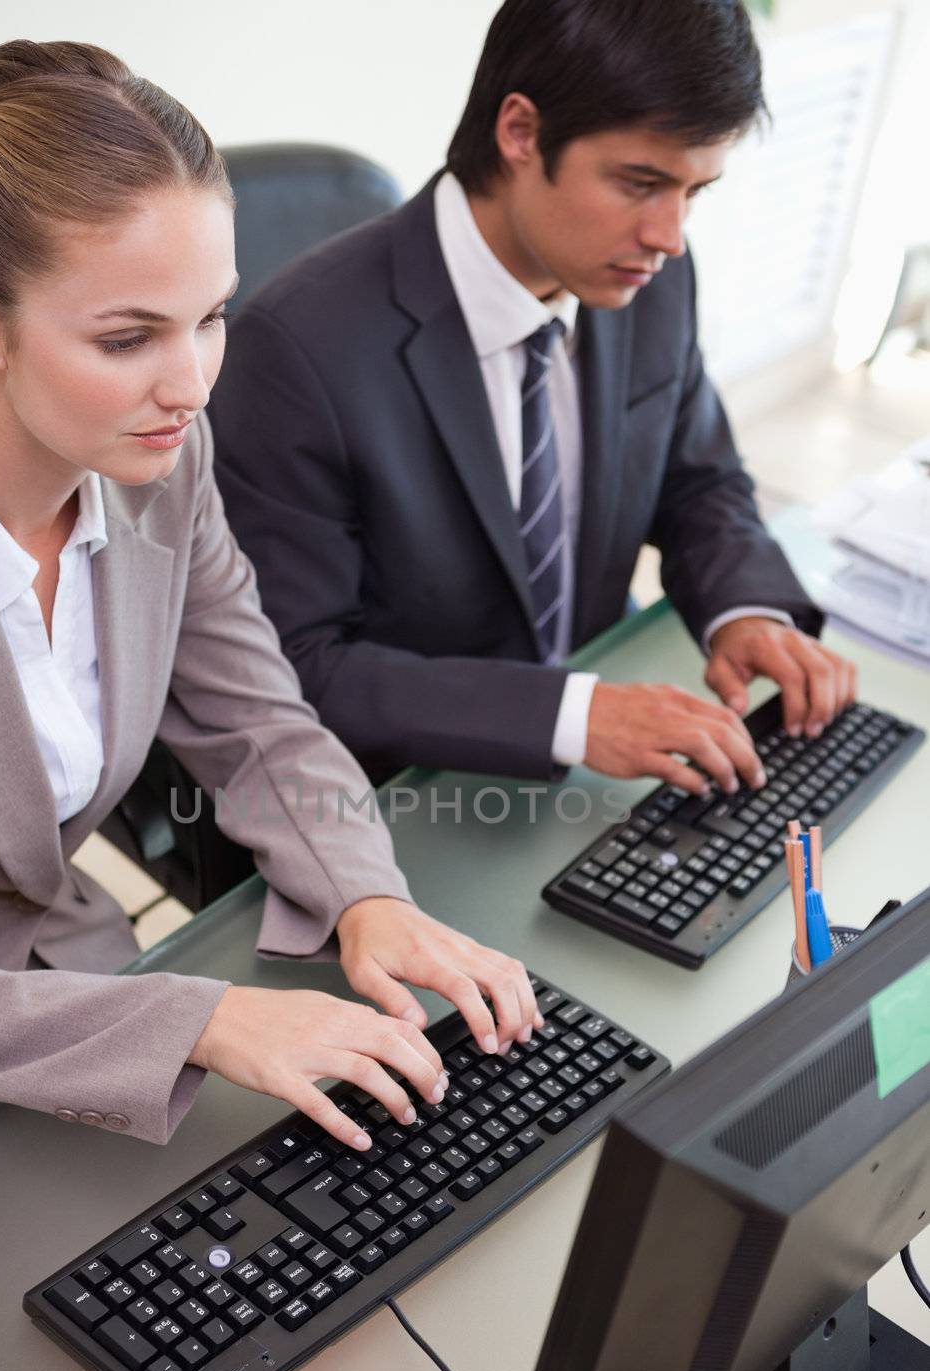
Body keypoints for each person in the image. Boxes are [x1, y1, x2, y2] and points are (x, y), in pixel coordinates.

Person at [0, 39, 540, 1149]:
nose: (188, 385)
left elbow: (255, 720)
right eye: (128, 337)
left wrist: (369, 896)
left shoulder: (159, 461)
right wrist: (211, 1020)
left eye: (210, 316)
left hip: (70, 980)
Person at [209, 0, 857, 795]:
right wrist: (570, 715)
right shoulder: (295, 351)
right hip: (408, 791)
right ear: (519, 132)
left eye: (695, 192)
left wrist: (744, 611)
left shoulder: (648, 280)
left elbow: (696, 480)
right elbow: (296, 664)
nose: (669, 235)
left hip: (594, 756)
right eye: (640, 183)